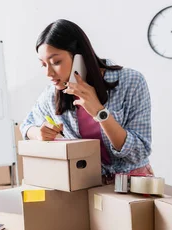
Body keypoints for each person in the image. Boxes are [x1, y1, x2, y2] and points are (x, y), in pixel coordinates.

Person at [22, 19, 153, 184]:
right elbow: (26, 125)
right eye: (43, 64)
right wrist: (38, 133)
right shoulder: (52, 95)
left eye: (56, 62)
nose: (48, 73)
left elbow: (139, 152)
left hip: (133, 184)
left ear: (79, 57)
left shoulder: (130, 82)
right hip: (86, 186)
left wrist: (100, 112)